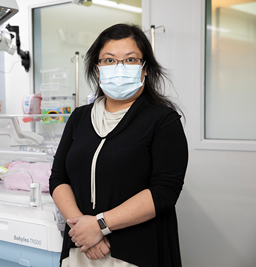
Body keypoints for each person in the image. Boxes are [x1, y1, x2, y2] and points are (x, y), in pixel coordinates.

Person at [49, 23, 188, 267]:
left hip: (136, 252)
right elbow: (58, 177)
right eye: (109, 60)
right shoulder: (80, 117)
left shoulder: (162, 120)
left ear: (145, 69)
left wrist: (100, 225)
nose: (119, 67)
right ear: (98, 68)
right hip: (80, 248)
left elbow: (165, 191)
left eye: (131, 59)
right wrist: (84, 229)